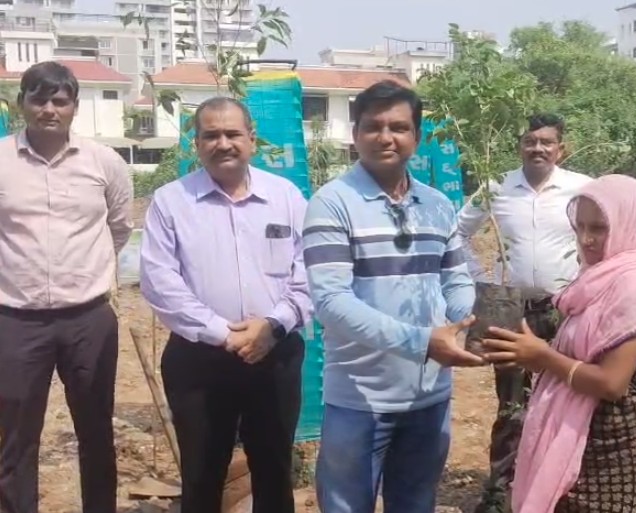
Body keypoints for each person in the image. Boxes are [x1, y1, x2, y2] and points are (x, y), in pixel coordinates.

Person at [483, 174, 636, 513]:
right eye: (579, 227)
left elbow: (612, 383)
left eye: (599, 228)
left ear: (629, 224)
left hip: (619, 449)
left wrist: (544, 357)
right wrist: (533, 353)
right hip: (583, 438)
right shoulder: (600, 276)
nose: (586, 239)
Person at [303, 80, 480, 513]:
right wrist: (423, 342)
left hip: (429, 398)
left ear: (416, 137)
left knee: (415, 503)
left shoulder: (437, 205)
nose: (385, 137)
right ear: (355, 134)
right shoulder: (332, 203)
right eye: (373, 126)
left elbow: (456, 279)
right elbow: (332, 303)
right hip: (360, 400)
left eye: (399, 127)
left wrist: (471, 324)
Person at [139, 97, 312, 513]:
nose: (223, 143)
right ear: (196, 144)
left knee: (274, 470)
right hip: (199, 359)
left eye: (233, 133)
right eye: (211, 135)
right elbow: (160, 281)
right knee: (201, 475)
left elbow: (311, 270)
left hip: (275, 353)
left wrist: (273, 325)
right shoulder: (171, 201)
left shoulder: (286, 197)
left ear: (251, 138)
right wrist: (223, 333)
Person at [0, 61, 133, 513]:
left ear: (75, 106)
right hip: (16, 321)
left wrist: (86, 273)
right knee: (17, 436)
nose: (49, 110)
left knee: (96, 431)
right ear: (21, 103)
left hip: (88, 320)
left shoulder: (104, 162)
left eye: (60, 101)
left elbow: (119, 227)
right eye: (39, 99)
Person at [456, 113, 592, 511]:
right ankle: (501, 494)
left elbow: (605, 235)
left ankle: (561, 492)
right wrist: (481, 278)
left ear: (561, 149)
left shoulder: (583, 188)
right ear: (520, 146)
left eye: (546, 142)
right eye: (530, 141)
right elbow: (457, 232)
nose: (538, 148)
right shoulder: (497, 186)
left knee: (567, 400)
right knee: (512, 404)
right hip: (512, 314)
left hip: (564, 311)